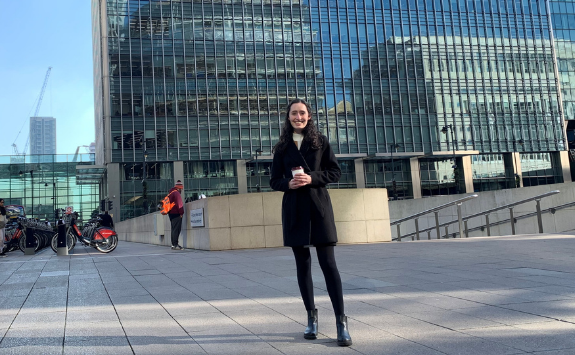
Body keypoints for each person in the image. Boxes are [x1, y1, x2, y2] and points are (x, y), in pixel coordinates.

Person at [270, 99, 352, 346]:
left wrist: (311, 177)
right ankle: (311, 318)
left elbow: (335, 172)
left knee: (329, 264)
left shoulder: (321, 141)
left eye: (302, 113)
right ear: (288, 117)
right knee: (302, 266)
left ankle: (341, 321)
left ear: (309, 116)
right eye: (294, 113)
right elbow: (274, 180)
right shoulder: (282, 147)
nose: (298, 117)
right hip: (294, 210)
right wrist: (288, 183)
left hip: (319, 207)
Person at [167, 180, 185, 250]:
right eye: (181, 189)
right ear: (179, 188)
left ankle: (173, 244)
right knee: (176, 229)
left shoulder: (171, 193)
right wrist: (181, 213)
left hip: (171, 213)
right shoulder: (176, 193)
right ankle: (175, 244)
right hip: (176, 213)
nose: (181, 190)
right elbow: (179, 204)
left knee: (173, 229)